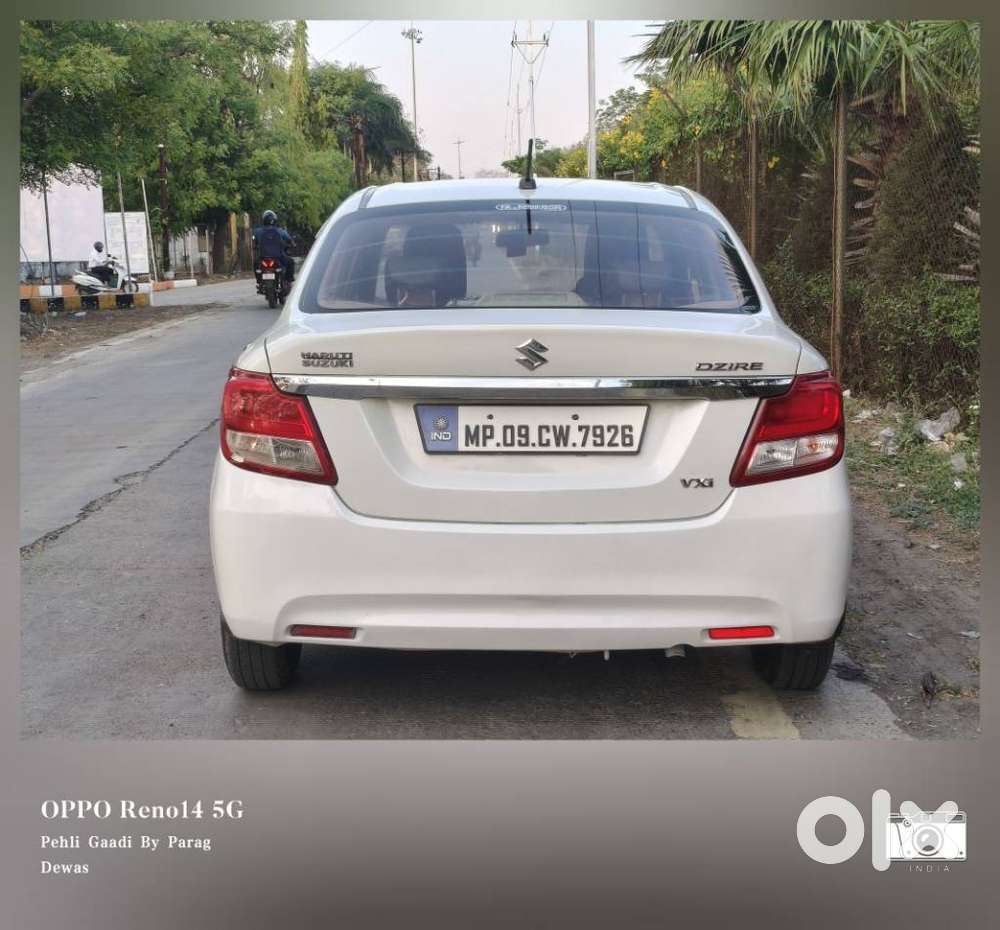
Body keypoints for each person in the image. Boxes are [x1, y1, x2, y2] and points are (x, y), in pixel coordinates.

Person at [252, 210, 295, 284]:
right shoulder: (280, 231)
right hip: (279, 257)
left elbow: (254, 239)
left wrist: (255, 245)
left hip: (263, 257)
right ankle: (289, 280)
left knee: (256, 264)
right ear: (275, 220)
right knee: (290, 262)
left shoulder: (258, 231)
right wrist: (292, 244)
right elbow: (289, 239)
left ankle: (259, 280)